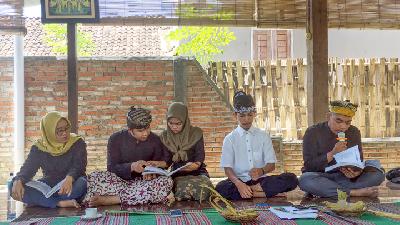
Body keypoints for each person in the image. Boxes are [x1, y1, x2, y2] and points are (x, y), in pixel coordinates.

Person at [83, 106, 173, 207]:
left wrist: (153, 170)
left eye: (147, 128)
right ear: (130, 130)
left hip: (144, 184)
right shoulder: (115, 139)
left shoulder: (155, 139)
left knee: (166, 182)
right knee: (95, 177)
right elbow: (111, 168)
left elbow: (165, 161)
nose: (145, 133)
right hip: (119, 182)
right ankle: (135, 198)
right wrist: (132, 166)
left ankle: (112, 200)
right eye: (140, 131)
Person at [215, 91, 298, 200]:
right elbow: (227, 169)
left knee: (291, 179)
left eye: (250, 115)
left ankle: (251, 192)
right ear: (235, 115)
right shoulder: (230, 139)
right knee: (221, 188)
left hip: (261, 181)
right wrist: (239, 184)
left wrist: (261, 171)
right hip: (238, 181)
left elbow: (271, 165)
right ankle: (261, 193)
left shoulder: (263, 136)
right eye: (242, 116)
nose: (246, 119)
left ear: (254, 113)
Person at [299, 100, 385, 198]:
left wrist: (356, 172)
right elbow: (310, 166)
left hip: (345, 178)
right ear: (328, 116)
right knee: (305, 180)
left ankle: (330, 191)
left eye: (348, 123)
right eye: (338, 121)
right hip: (321, 176)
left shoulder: (353, 132)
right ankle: (353, 192)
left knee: (378, 174)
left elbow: (359, 160)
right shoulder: (313, 132)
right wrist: (332, 153)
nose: (343, 127)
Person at [9, 112, 87, 208]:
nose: (65, 133)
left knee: (82, 184)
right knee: (12, 185)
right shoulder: (39, 147)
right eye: (59, 130)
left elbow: (79, 166)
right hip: (49, 185)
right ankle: (58, 203)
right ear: (49, 131)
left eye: (66, 128)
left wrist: (70, 178)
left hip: (72, 182)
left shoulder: (77, 142)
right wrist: (19, 180)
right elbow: (28, 169)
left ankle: (41, 201)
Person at [160, 102, 213, 201]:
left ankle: (200, 214)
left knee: (204, 187)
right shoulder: (165, 137)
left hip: (198, 171)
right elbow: (167, 161)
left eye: (178, 123)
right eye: (171, 123)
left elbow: (199, 155)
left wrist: (195, 165)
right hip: (177, 172)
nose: (174, 127)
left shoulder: (196, 133)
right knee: (181, 188)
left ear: (184, 121)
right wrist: (155, 165)